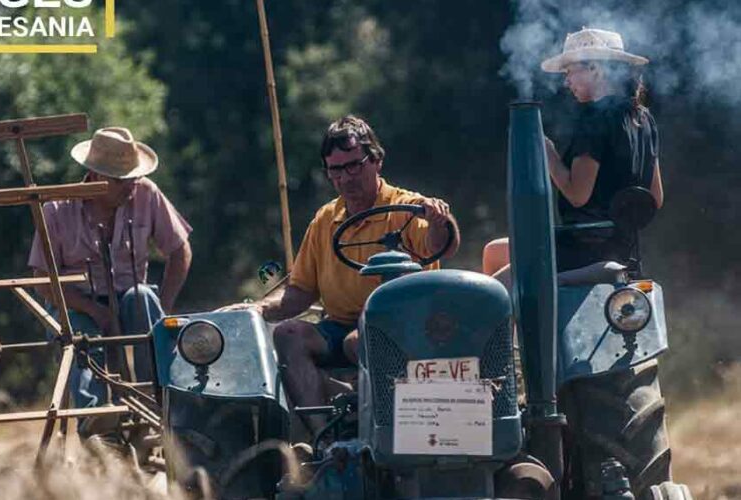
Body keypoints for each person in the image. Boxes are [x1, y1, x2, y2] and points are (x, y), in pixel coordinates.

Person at [228, 115, 460, 431]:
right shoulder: (325, 220)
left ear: (376, 160)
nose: (345, 178)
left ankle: (380, 433)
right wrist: (258, 308)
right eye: (335, 170)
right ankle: (323, 437)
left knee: (358, 341)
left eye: (353, 165)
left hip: (405, 325)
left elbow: (441, 245)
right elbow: (299, 292)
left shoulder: (407, 208)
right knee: (288, 334)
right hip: (339, 328)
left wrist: (437, 222)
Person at [29, 127, 192, 409]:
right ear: (95, 176)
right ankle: (96, 421)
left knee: (144, 302)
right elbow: (43, 281)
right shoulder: (57, 210)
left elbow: (180, 251)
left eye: (133, 177)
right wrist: (94, 310)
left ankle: (160, 402)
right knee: (80, 339)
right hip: (77, 303)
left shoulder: (145, 194)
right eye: (120, 181)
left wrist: (163, 309)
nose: (130, 186)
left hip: (129, 295)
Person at [483, 28, 664, 282]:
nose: (566, 81)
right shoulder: (645, 120)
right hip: (623, 248)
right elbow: (655, 198)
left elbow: (578, 196)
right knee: (494, 252)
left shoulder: (595, 119)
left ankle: (513, 320)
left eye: (570, 72)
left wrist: (547, 153)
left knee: (491, 293)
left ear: (595, 69)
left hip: (584, 250)